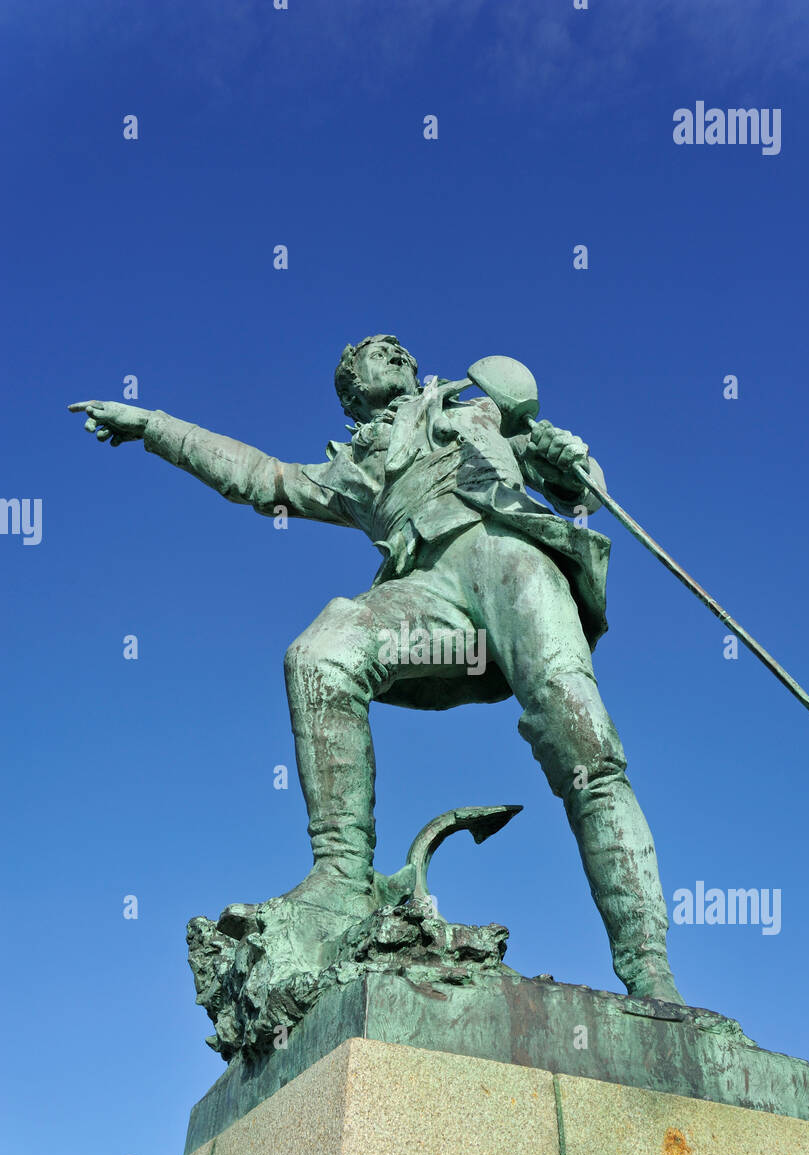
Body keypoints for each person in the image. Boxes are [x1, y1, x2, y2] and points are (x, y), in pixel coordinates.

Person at [69, 333, 685, 1003]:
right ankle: (340, 874)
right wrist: (154, 426)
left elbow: (576, 488)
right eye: (372, 349)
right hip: (429, 591)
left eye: (399, 347)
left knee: (583, 745)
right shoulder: (347, 470)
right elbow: (255, 477)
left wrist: (568, 461)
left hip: (511, 561)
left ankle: (647, 968)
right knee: (319, 656)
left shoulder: (475, 409)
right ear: (349, 389)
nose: (392, 349)